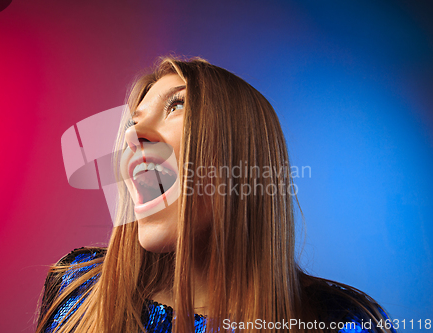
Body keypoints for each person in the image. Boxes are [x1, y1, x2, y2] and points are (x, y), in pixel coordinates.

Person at [36, 57, 395, 333]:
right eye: (132, 122)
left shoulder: (343, 321)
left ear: (240, 155)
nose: (132, 135)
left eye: (176, 106)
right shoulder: (77, 288)